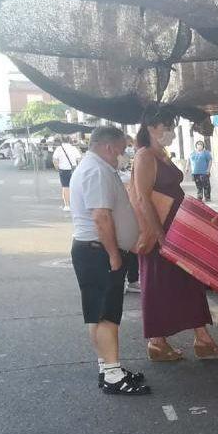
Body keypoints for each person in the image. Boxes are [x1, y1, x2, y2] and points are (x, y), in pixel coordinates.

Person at [130, 109, 218, 362]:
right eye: (167, 126)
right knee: (158, 286)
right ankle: (157, 342)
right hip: (161, 233)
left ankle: (202, 339)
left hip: (179, 231)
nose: (171, 131)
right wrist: (160, 235)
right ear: (151, 127)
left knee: (190, 283)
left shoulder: (160, 155)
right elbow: (142, 198)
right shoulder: (144, 156)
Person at [68, 125, 149, 395]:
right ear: (108, 147)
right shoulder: (96, 171)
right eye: (121, 150)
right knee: (106, 315)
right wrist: (114, 254)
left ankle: (108, 368)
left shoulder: (97, 168)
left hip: (94, 250)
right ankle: (113, 374)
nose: (122, 156)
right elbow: (101, 217)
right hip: (98, 251)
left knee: (98, 312)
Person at [53, 136, 83, 211]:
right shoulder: (74, 148)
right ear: (69, 140)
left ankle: (67, 205)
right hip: (73, 169)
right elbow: (79, 158)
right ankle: (76, 204)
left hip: (63, 169)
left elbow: (55, 160)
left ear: (61, 140)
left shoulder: (59, 149)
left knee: (65, 187)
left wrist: (57, 168)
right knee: (74, 187)